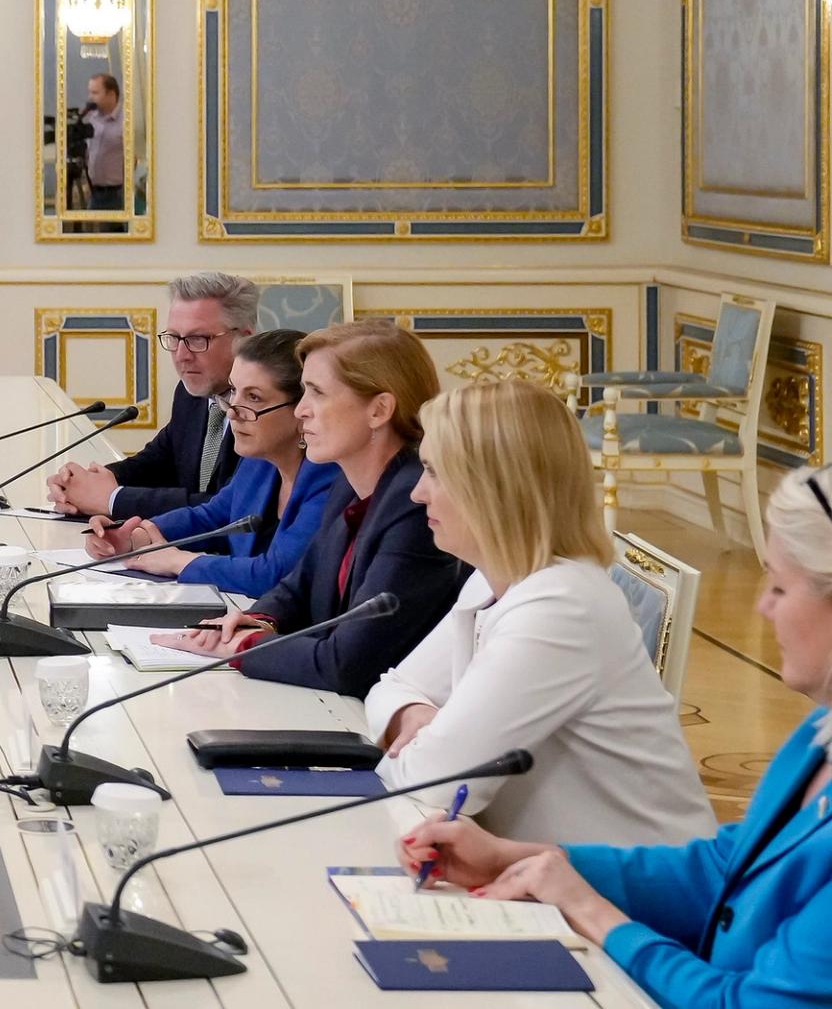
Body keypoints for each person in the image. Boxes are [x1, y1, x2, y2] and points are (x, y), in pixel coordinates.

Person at [397, 465, 832, 1009]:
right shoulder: (816, 738)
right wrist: (514, 858)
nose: (762, 607)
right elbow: (720, 870)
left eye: (779, 587)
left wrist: (595, 913)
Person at [365, 381, 714, 846]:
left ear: (493, 484)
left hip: (639, 897)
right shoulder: (495, 580)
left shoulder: (560, 606)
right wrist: (417, 721)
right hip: (553, 880)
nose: (417, 494)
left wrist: (425, 748)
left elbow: (441, 785)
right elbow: (391, 688)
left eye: (434, 472)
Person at [173, 319, 465, 696]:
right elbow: (300, 583)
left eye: (316, 393)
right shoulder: (348, 482)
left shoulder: (415, 506)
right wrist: (258, 620)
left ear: (379, 410)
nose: (300, 411)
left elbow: (347, 664)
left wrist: (242, 649)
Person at [85, 330, 337, 599]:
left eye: (254, 398)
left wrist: (175, 562)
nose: (232, 411)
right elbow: (213, 517)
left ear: (302, 411)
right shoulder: (260, 461)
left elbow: (274, 575)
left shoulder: (330, 477)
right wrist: (135, 537)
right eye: (233, 391)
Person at [48, 272, 255, 518]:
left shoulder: (265, 409)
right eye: (174, 338)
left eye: (197, 339)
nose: (181, 355)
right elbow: (159, 461)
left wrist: (113, 500)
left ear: (244, 339)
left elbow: (226, 507)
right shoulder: (191, 393)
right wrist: (84, 484)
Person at [83, 73, 125, 213]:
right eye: (90, 92)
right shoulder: (92, 119)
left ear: (111, 94)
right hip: (95, 193)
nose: (90, 97)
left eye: (95, 93)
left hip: (118, 194)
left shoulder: (126, 120)